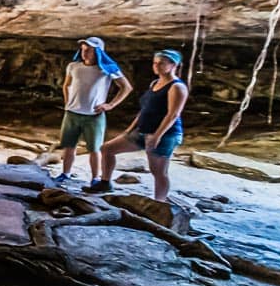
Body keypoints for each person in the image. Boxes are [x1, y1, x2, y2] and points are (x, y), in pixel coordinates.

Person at [85, 49, 187, 201]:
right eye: (155, 63)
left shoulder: (177, 87)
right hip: (143, 130)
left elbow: (173, 114)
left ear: (173, 65)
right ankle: (105, 183)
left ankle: (159, 202)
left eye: (162, 63)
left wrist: (157, 136)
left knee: (158, 171)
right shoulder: (155, 83)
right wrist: (129, 130)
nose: (157, 66)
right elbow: (145, 110)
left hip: (165, 134)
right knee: (107, 149)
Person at [55, 36, 133, 187]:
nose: (85, 53)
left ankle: (95, 178)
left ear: (98, 52)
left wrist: (110, 105)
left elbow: (126, 87)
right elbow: (66, 85)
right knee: (69, 145)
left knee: (94, 148)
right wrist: (67, 103)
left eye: (89, 50)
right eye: (83, 50)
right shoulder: (73, 66)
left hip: (94, 115)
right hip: (72, 113)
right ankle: (66, 173)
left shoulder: (107, 69)